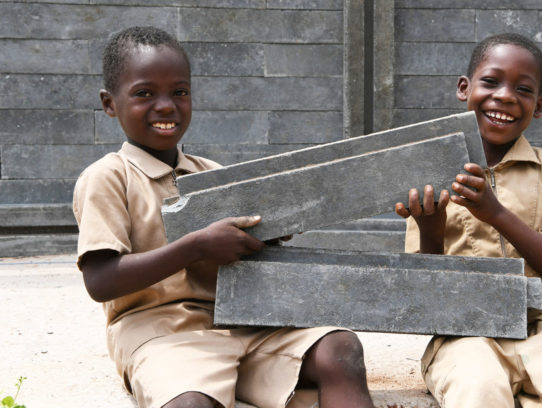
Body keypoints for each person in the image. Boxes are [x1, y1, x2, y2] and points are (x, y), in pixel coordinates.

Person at [73, 26, 374, 408]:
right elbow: (100, 281)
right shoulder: (108, 176)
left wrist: (264, 237)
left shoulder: (210, 173)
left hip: (243, 326)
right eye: (144, 93)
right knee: (191, 403)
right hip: (161, 335)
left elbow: (240, 263)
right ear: (109, 103)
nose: (166, 106)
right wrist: (196, 246)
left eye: (179, 92)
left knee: (340, 349)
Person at [394, 33, 542, 407]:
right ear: (464, 87)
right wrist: (430, 229)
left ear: (538, 106)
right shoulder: (432, 172)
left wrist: (496, 213)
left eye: (522, 90)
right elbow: (424, 298)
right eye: (490, 81)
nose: (505, 96)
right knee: (478, 389)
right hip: (464, 334)